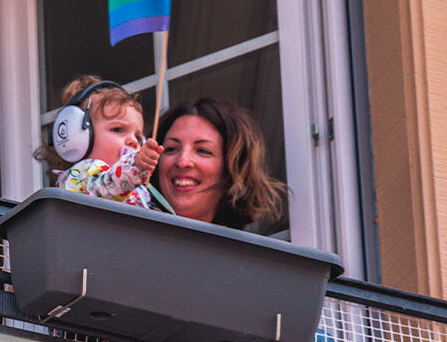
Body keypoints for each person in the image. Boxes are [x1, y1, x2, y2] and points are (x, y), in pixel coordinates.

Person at [155, 97, 285, 229]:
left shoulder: (239, 250)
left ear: (233, 169)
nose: (182, 162)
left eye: (203, 151)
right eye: (171, 148)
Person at [37, 75, 162, 207]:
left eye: (138, 136)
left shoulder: (135, 188)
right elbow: (108, 186)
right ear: (77, 137)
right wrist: (135, 166)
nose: (133, 141)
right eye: (118, 129)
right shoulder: (80, 176)